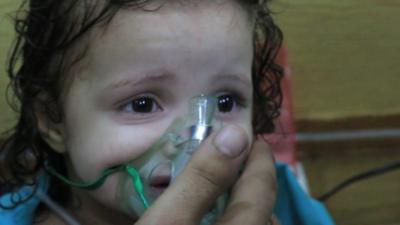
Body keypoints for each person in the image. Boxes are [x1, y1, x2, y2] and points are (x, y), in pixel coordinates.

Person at [0, 0, 283, 224]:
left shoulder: (277, 198)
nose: (201, 141)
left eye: (225, 102)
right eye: (142, 104)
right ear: (53, 121)